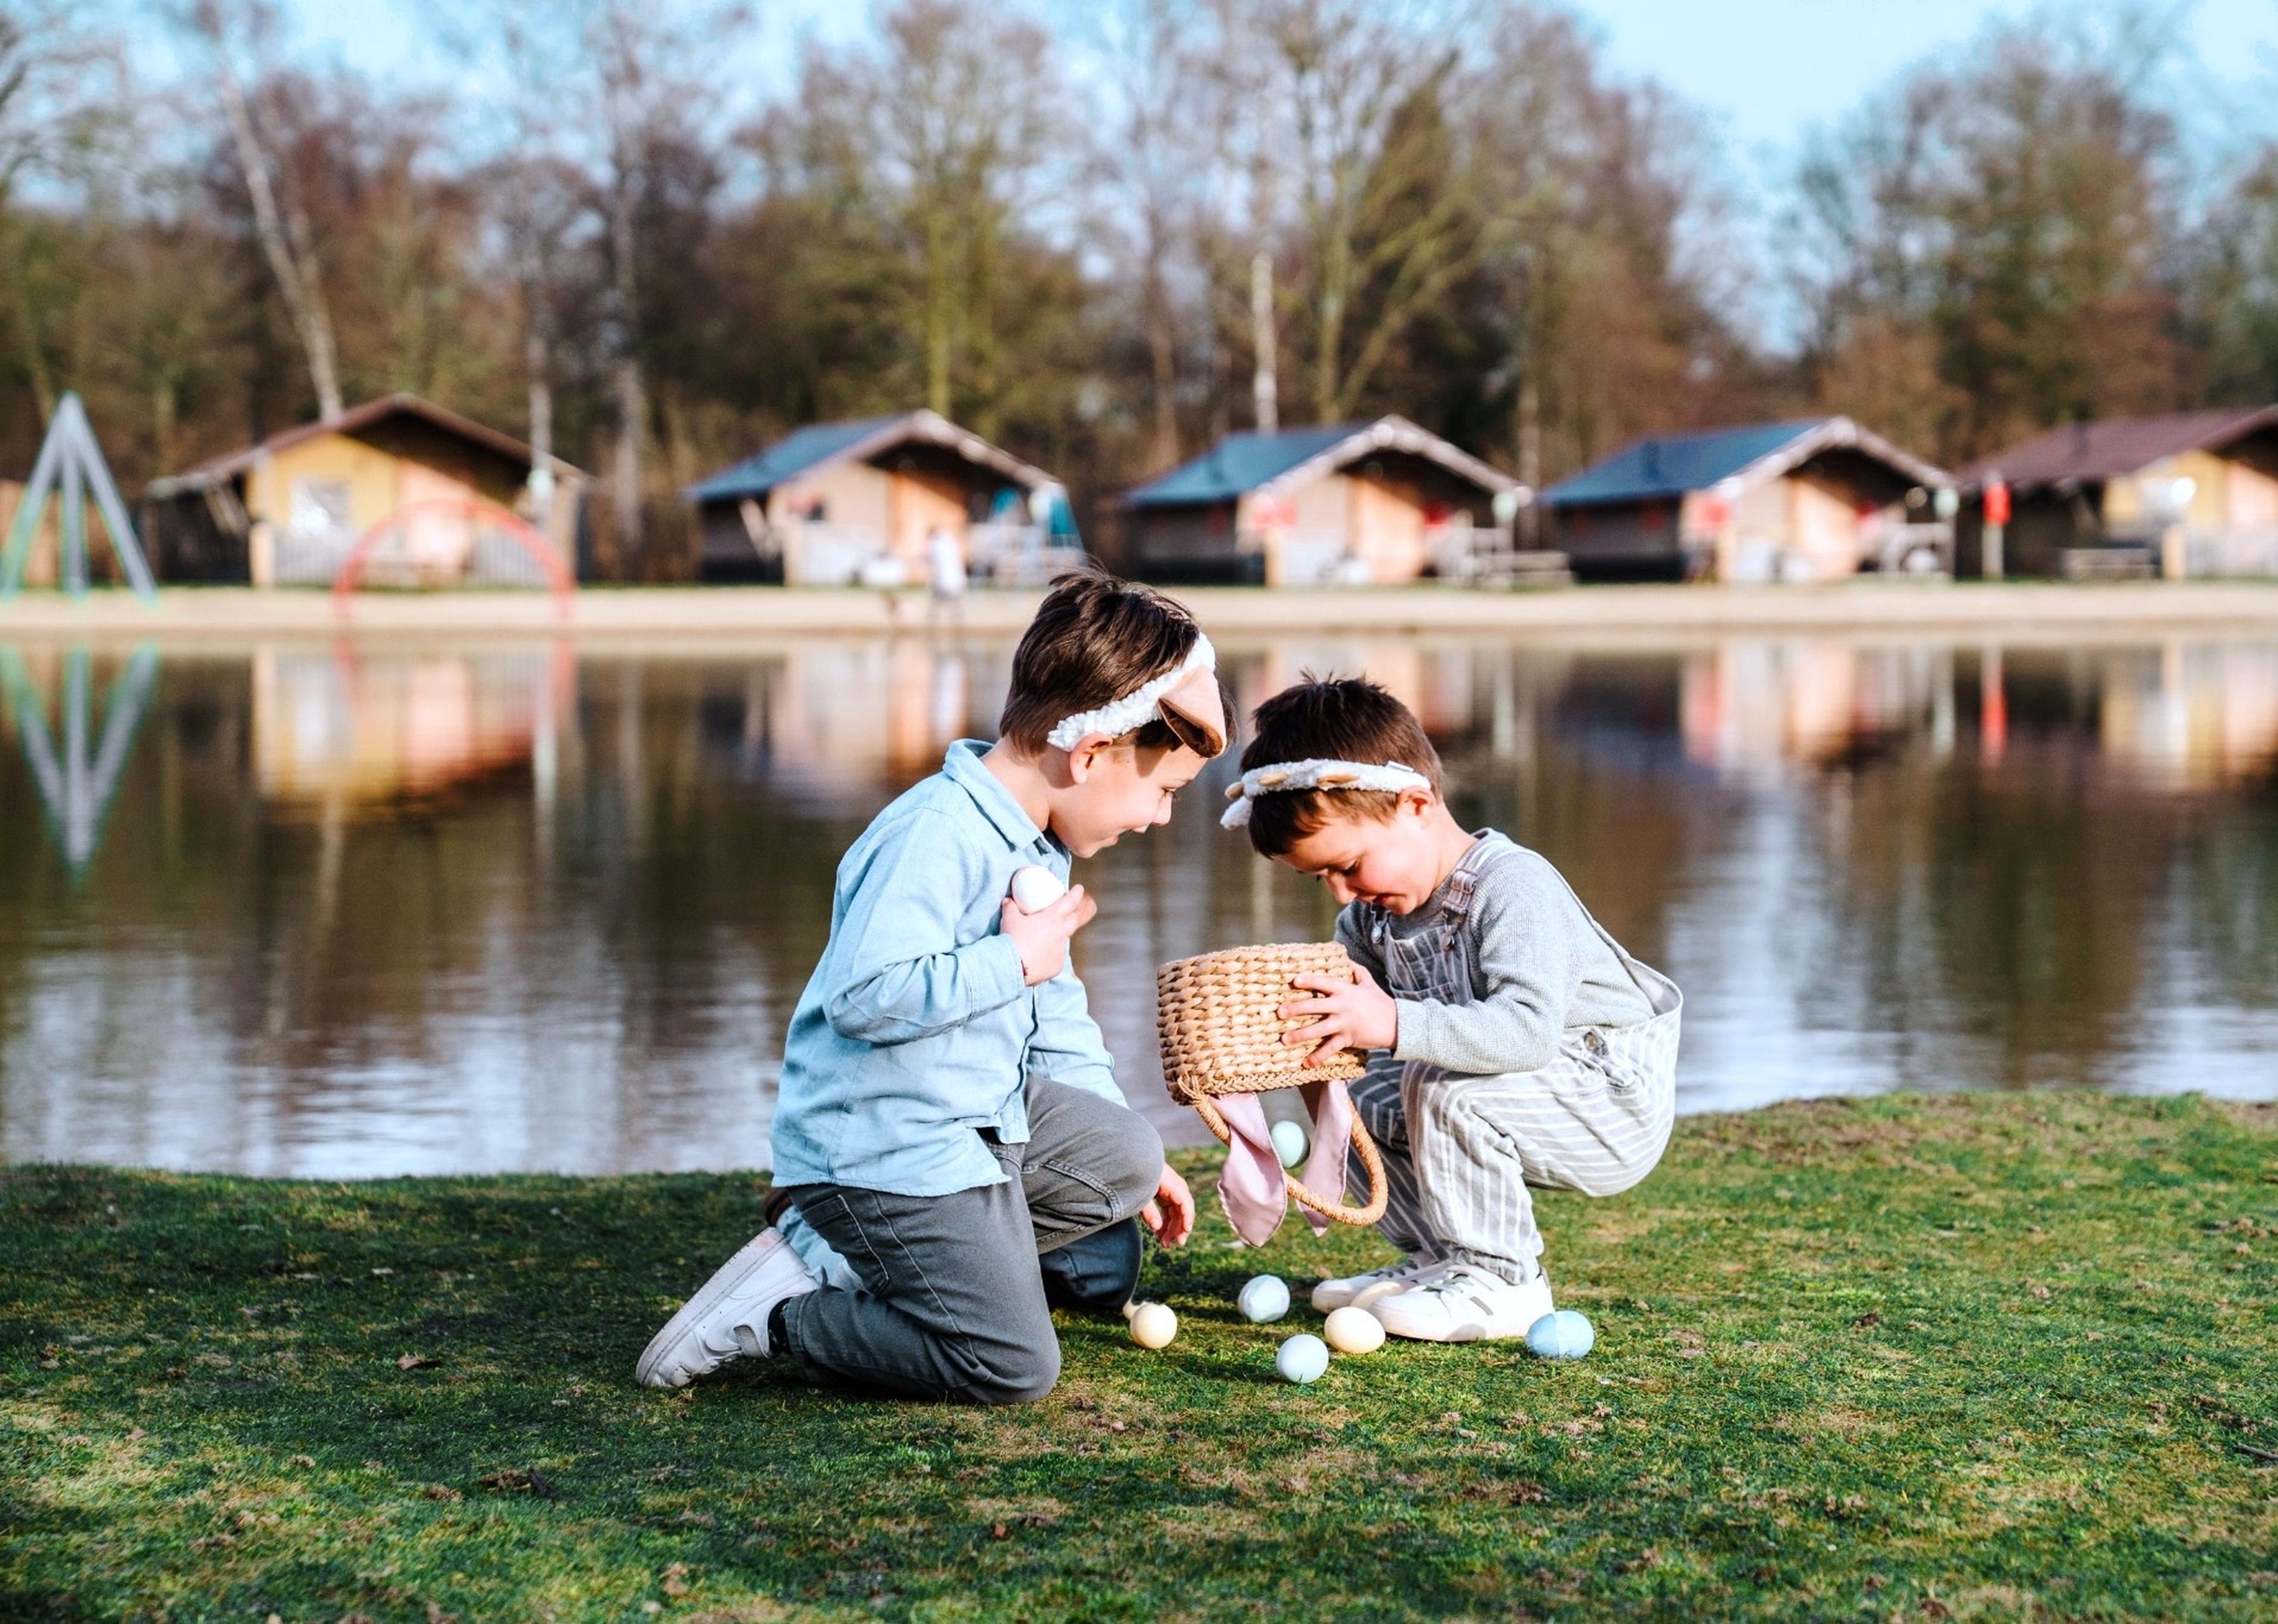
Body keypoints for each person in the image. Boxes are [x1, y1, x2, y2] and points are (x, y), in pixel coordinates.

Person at [636, 569, 1230, 1402]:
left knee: (1110, 1229)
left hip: (983, 1118)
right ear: (1089, 754)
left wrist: (1130, 1155)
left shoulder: (1038, 844)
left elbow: (1056, 1016)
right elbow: (865, 994)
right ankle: (786, 1306)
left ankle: (905, 1260)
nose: (1161, 817)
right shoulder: (935, 834)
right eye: (1164, 792)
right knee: (1014, 1362)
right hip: (886, 1144)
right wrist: (1011, 962)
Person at [1219, 676, 1681, 1342]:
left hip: (1608, 1101)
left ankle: (1505, 1282)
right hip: (1506, 1092)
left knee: (1437, 1083)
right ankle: (1437, 1261)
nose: (1342, 892)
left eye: (1349, 865)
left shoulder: (1513, 886)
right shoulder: (1367, 922)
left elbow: (1526, 1033)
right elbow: (1363, 1041)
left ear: (1414, 803)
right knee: (1366, 1089)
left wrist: (1394, 1023)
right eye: (1320, 878)